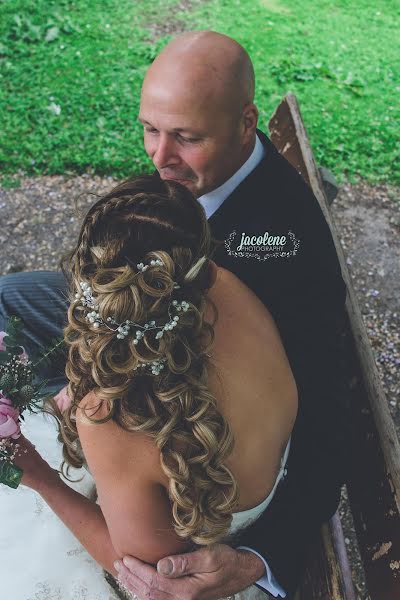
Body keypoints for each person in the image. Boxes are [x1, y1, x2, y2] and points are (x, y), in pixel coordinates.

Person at [0, 31, 348, 599]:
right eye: (150, 129)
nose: (159, 159)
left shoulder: (273, 259)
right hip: (143, 319)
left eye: (186, 138)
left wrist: (259, 559)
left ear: (245, 122)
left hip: (187, 440)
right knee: (7, 298)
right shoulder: (222, 273)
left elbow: (326, 416)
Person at [4, 174, 298, 600]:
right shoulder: (227, 287)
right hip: (268, 485)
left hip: (202, 568)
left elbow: (148, 578)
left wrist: (39, 477)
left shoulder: (112, 419)